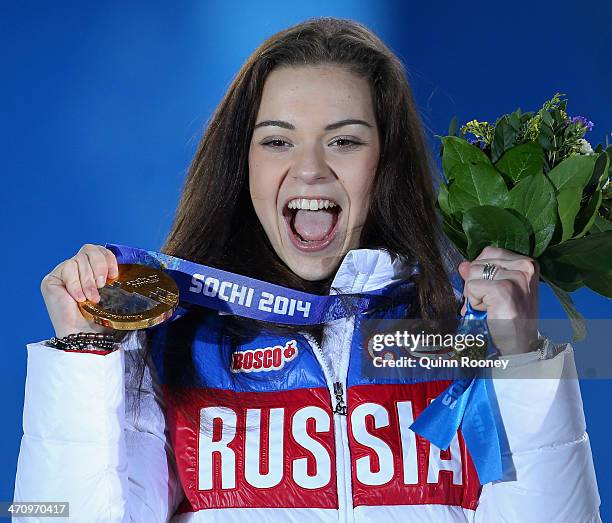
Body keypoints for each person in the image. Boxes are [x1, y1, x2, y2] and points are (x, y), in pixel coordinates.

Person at [14, 16, 601, 523]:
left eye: (344, 142)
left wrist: (520, 355)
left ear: (387, 161)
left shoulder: (455, 339)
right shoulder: (174, 343)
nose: (310, 169)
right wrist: (82, 358)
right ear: (242, 164)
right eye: (277, 141)